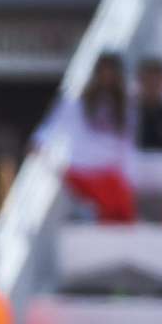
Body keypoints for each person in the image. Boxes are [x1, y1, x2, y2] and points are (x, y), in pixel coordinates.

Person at [33, 53, 137, 223]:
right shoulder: (75, 103)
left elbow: (127, 146)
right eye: (103, 72)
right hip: (80, 173)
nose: (107, 78)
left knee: (120, 205)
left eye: (112, 73)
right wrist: (39, 141)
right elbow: (52, 126)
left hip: (109, 175)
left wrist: (130, 178)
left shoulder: (126, 108)